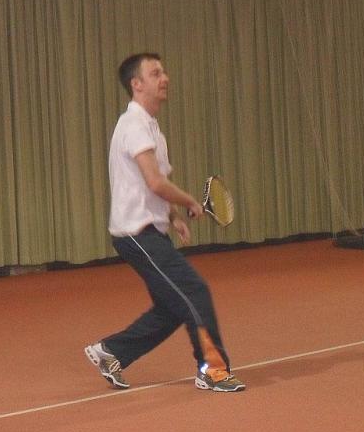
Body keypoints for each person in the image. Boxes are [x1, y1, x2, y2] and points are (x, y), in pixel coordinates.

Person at [84, 53, 245, 393]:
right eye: (155, 73)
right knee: (194, 290)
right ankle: (213, 371)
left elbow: (151, 185)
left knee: (173, 306)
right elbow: (156, 182)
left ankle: (112, 351)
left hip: (148, 232)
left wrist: (172, 217)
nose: (165, 78)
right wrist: (189, 202)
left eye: (164, 72)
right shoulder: (133, 125)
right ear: (137, 84)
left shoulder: (152, 128)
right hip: (135, 233)